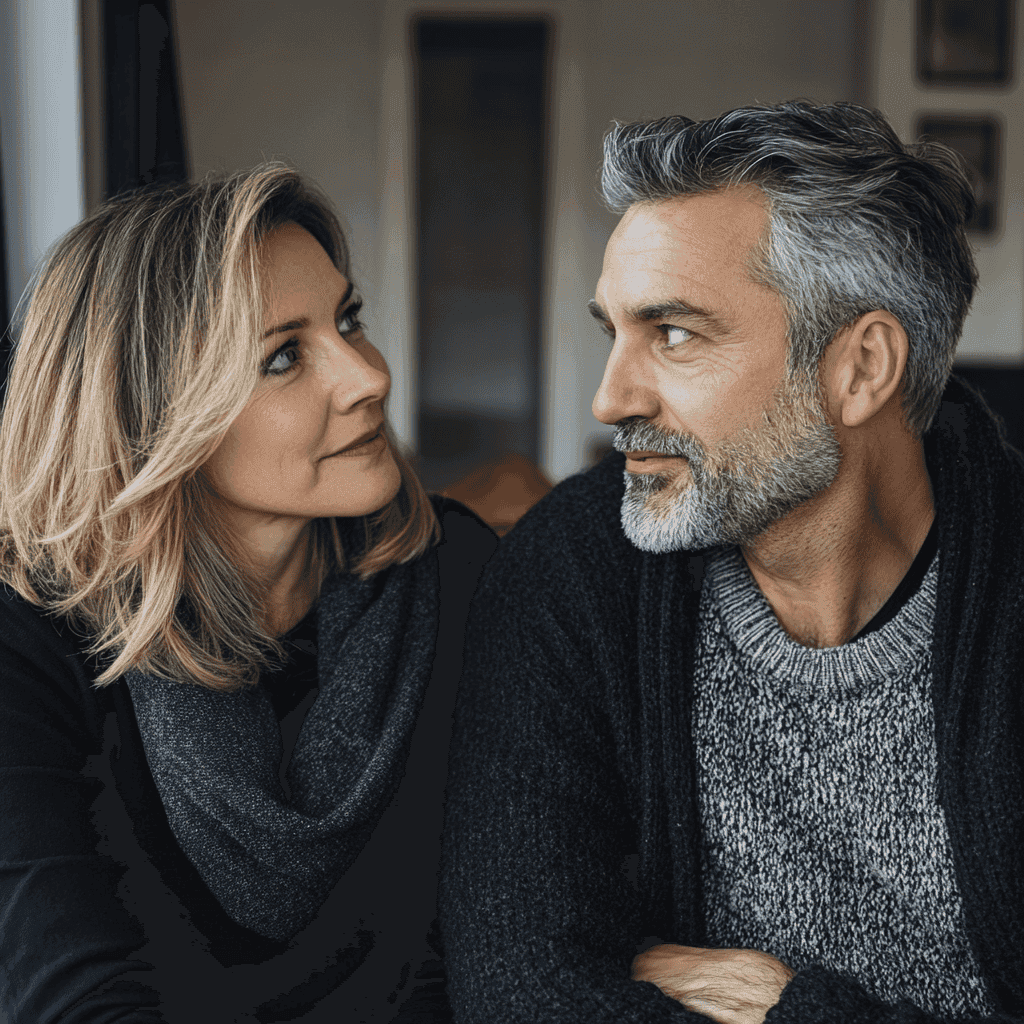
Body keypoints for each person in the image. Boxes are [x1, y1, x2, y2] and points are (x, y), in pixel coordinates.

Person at [440, 101, 1024, 1023]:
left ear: (861, 367)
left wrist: (792, 1009)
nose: (609, 398)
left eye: (674, 334)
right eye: (614, 332)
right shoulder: (575, 573)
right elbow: (523, 997)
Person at [0, 165, 495, 1023]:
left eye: (348, 320)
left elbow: (495, 948)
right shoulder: (29, 648)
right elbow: (73, 997)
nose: (368, 376)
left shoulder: (458, 574)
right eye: (283, 356)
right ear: (148, 417)